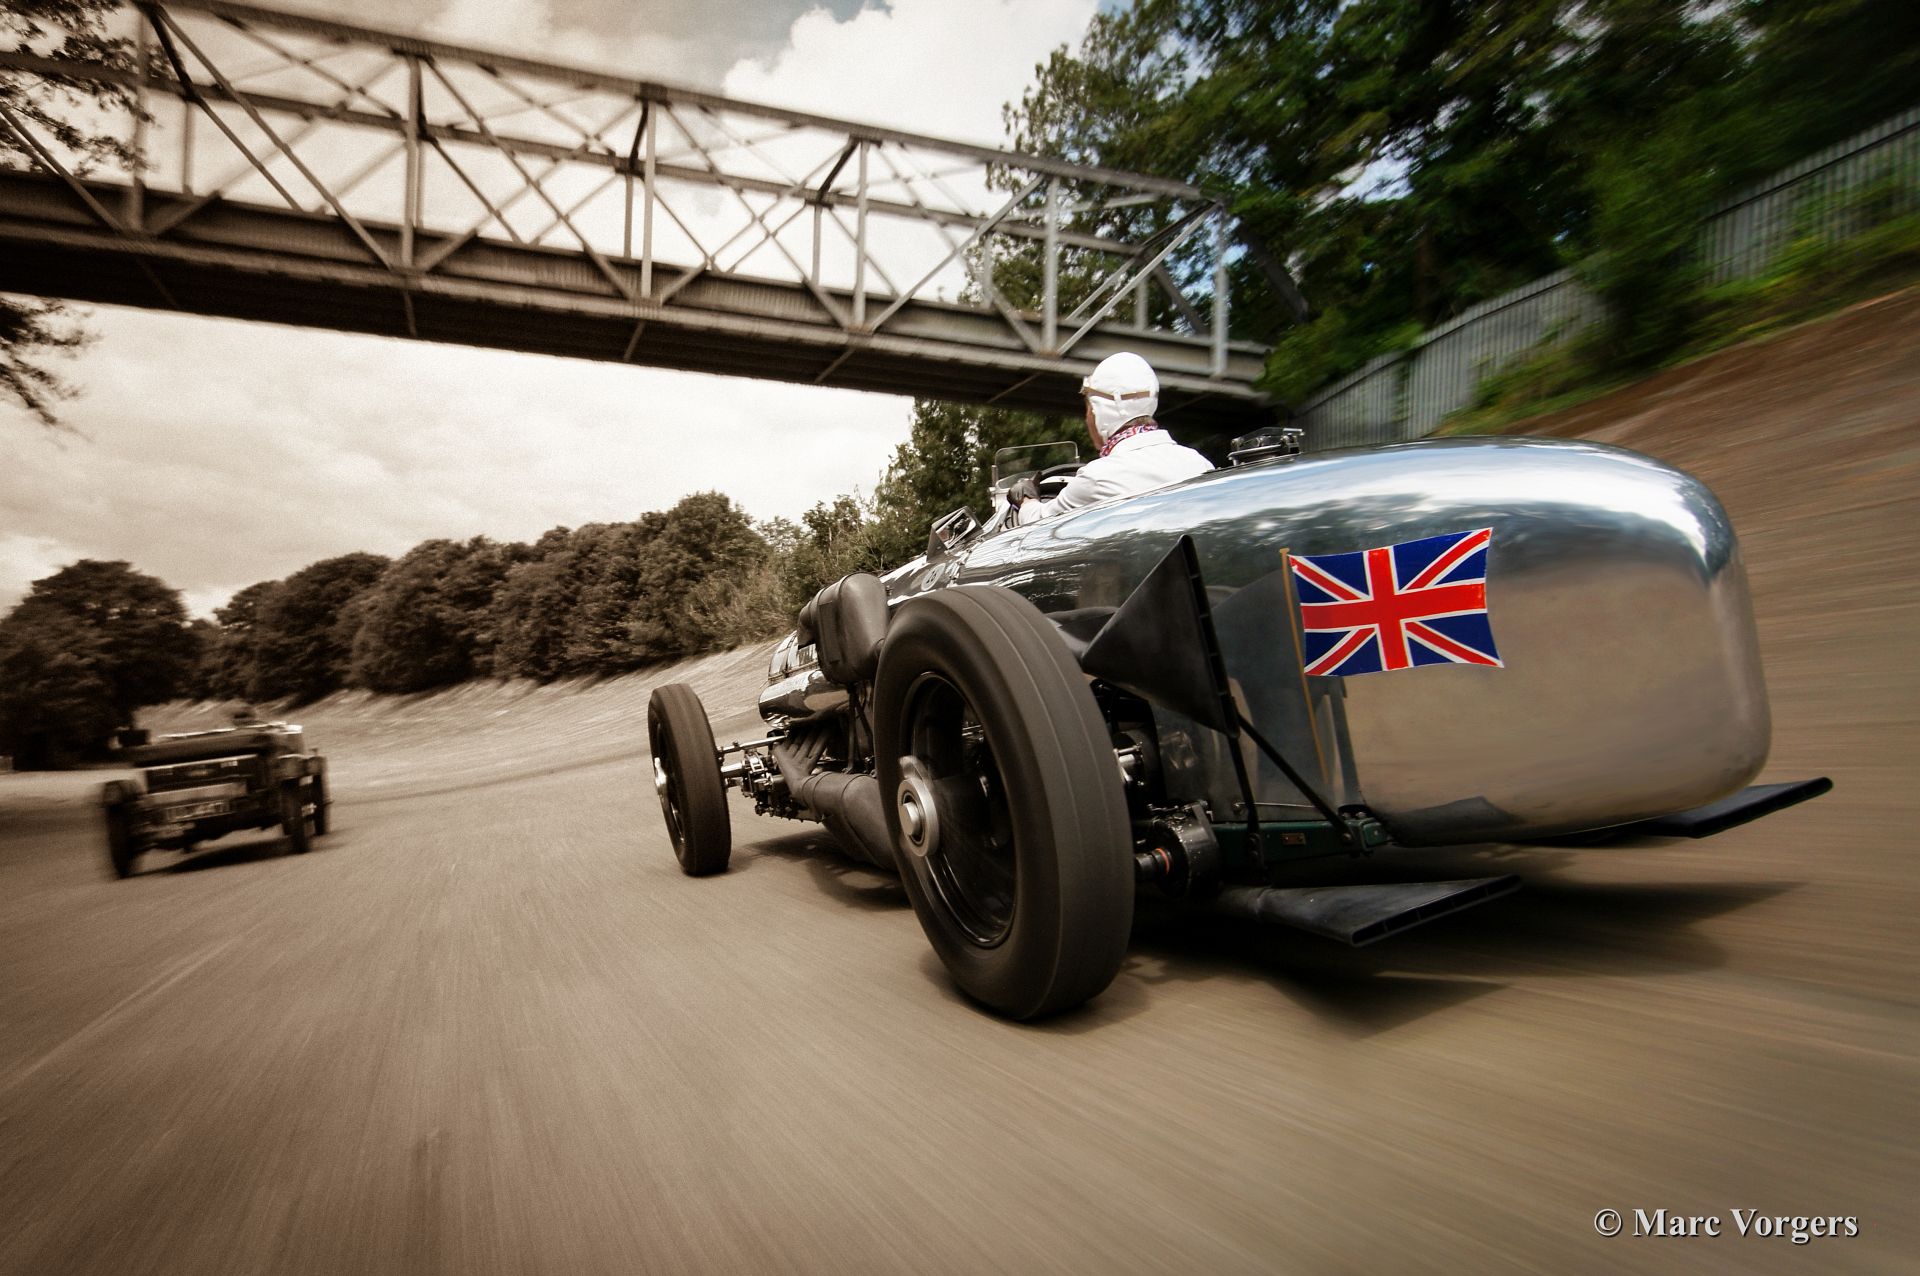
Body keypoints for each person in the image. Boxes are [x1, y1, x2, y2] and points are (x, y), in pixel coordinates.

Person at [1007, 352, 1212, 525]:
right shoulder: (1199, 464)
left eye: (1088, 409)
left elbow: (1039, 523)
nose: (1087, 418)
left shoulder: (1097, 478)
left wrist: (1026, 498)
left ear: (1098, 413)